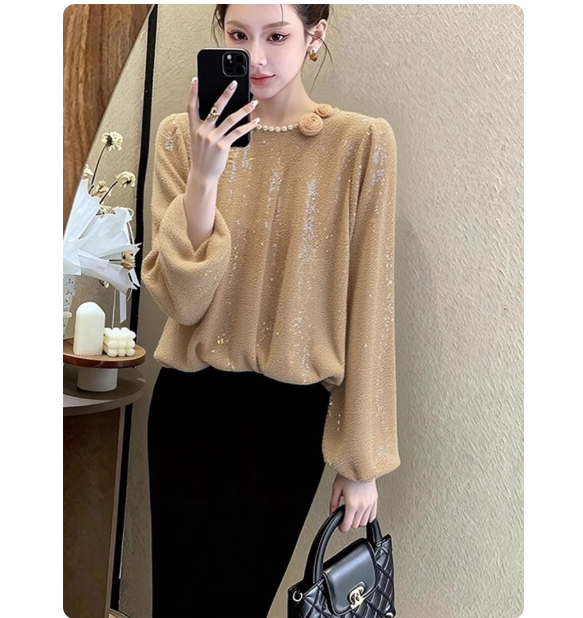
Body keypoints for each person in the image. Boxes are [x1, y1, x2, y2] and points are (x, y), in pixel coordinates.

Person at [142, 4, 400, 615]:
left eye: (277, 35)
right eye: (238, 35)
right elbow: (181, 300)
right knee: (175, 603)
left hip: (285, 423)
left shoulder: (360, 145)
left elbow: (370, 306)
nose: (255, 57)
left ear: (315, 35)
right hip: (187, 407)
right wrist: (205, 177)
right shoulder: (182, 137)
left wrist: (360, 461)